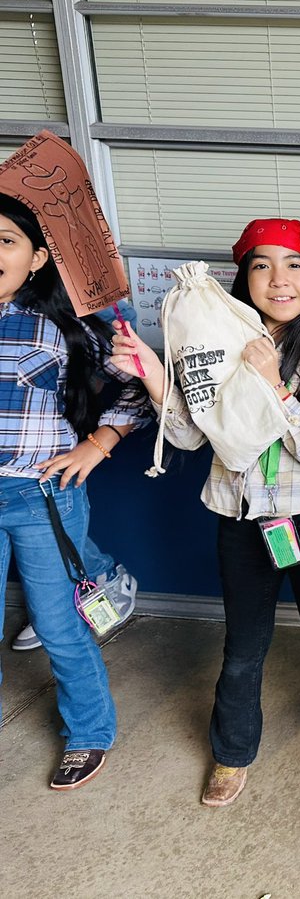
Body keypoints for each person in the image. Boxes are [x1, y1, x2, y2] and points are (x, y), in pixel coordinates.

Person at [112, 218, 300, 819]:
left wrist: (273, 387)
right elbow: (186, 437)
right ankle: (233, 752)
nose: (278, 279)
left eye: (294, 266)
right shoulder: (210, 349)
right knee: (242, 649)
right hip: (240, 521)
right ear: (243, 279)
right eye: (262, 265)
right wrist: (155, 378)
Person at [0, 193, 147, 790]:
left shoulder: (62, 330)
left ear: (36, 258)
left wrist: (98, 445)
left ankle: (88, 732)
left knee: (59, 627)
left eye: (5, 240)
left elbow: (135, 391)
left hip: (40, 497)